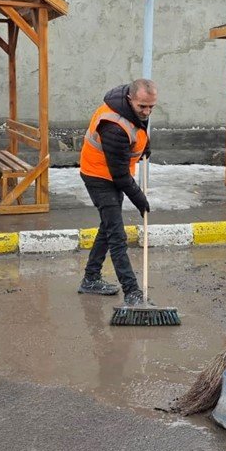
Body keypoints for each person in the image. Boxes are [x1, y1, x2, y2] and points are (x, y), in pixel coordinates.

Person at [77, 78, 157, 306]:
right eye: (143, 106)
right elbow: (120, 175)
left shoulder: (133, 109)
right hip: (98, 176)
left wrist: (145, 146)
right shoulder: (113, 126)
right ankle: (132, 292)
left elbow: (138, 128)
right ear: (130, 99)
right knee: (116, 234)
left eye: (152, 106)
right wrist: (140, 198)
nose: (147, 111)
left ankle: (90, 278)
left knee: (108, 225)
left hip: (111, 173)